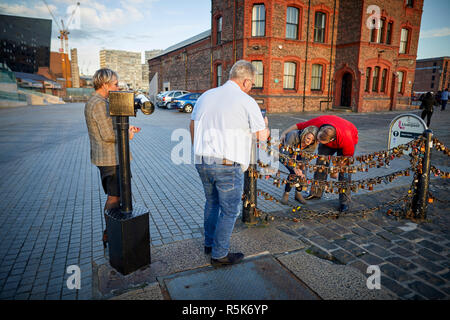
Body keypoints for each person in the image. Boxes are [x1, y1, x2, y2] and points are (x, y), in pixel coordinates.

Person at [190, 60, 270, 267]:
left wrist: (198, 150)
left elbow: (192, 125)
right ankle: (219, 254)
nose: (251, 87)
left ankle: (209, 243)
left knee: (211, 203)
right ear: (245, 81)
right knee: (229, 210)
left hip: (202, 160)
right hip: (227, 165)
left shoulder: (206, 95)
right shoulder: (246, 101)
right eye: (252, 83)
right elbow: (261, 137)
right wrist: (266, 128)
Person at [84, 68, 140, 247]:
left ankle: (113, 232)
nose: (118, 87)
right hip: (110, 159)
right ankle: (110, 233)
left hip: (113, 157)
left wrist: (127, 128)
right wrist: (127, 134)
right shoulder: (99, 103)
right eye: (115, 84)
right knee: (114, 197)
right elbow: (108, 135)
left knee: (117, 195)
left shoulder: (100, 101)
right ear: (104, 84)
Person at [280, 115, 358, 212]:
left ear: (331, 140)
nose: (317, 142)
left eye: (321, 141)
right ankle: (316, 193)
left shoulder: (346, 139)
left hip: (348, 137)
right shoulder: (319, 122)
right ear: (320, 130)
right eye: (318, 139)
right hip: (330, 133)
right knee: (321, 165)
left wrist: (335, 169)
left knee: (344, 173)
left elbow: (346, 158)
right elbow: (299, 125)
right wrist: (284, 133)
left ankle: (344, 202)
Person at [279, 127, 318, 205]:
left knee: (301, 173)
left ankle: (298, 193)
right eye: (308, 138)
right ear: (304, 134)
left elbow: (306, 158)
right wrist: (294, 167)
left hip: (299, 155)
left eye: (312, 140)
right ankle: (286, 193)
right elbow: (286, 155)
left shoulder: (312, 145)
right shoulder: (293, 135)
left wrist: (302, 169)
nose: (309, 141)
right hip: (285, 154)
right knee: (293, 172)